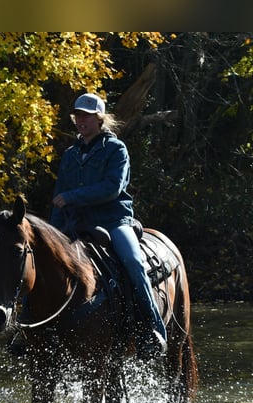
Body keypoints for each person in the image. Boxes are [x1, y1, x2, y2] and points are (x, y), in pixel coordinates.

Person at [50, 92, 167, 358]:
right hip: (76, 224)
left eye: (88, 116)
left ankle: (153, 329)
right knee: (43, 259)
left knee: (133, 262)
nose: (82, 121)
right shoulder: (70, 155)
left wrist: (72, 197)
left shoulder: (116, 149)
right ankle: (26, 329)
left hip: (114, 220)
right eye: (78, 115)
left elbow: (112, 189)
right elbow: (58, 197)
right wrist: (53, 233)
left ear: (100, 119)